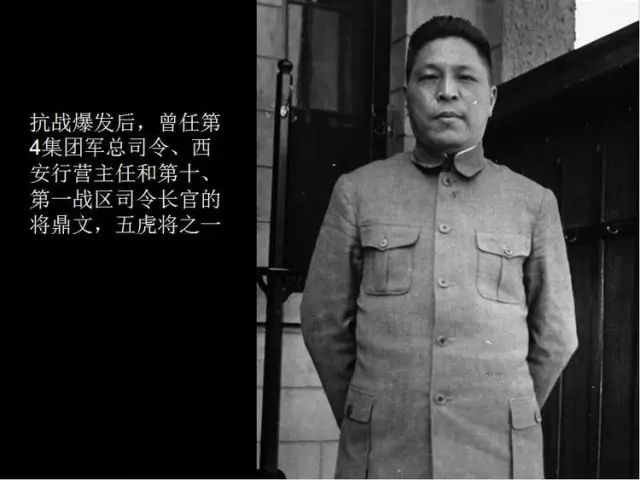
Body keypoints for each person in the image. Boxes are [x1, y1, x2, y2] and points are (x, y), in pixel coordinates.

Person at [300, 15, 578, 479]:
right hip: (384, 456)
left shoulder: (533, 203)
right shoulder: (358, 191)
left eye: (465, 78)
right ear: (407, 93)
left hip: (496, 458)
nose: (447, 92)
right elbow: (322, 322)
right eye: (430, 77)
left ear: (491, 98)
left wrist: (505, 410)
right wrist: (368, 412)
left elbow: (557, 335)